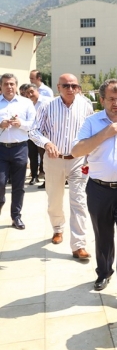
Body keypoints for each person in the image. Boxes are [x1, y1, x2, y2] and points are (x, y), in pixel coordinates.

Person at [72, 79, 117, 304]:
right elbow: (76, 150)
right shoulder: (92, 122)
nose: (116, 103)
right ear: (102, 99)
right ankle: (104, 272)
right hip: (99, 189)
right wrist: (104, 133)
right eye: (111, 99)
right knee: (103, 236)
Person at [29, 73, 94, 258]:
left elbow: (92, 132)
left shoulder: (86, 106)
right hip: (54, 160)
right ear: (58, 87)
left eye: (74, 85)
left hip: (78, 161)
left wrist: (90, 156)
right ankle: (58, 228)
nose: (70, 89)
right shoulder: (48, 106)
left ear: (78, 87)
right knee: (54, 201)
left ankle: (79, 245)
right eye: (66, 85)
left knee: (79, 202)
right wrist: (46, 143)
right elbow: (33, 130)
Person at [0, 74, 37, 229]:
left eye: (12, 84)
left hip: (20, 148)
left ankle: (16, 216)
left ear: (16, 86)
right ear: (0, 86)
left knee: (18, 185)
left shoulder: (26, 103)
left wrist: (20, 124)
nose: (9, 87)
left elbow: (33, 124)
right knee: (0, 183)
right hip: (1, 149)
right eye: (6, 84)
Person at [20, 83, 50, 186]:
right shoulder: (26, 103)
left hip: (43, 134)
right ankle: (34, 177)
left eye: (32, 91)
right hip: (31, 133)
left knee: (44, 157)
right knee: (32, 156)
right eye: (28, 93)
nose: (30, 94)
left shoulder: (47, 101)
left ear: (38, 91)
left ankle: (47, 179)